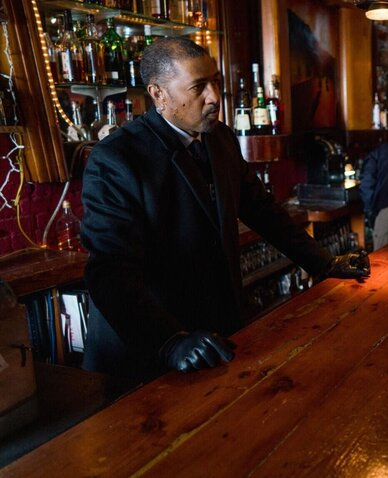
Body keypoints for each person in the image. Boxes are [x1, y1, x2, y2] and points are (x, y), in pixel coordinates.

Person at [81, 37, 369, 392]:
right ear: (158, 94)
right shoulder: (117, 158)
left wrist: (324, 263)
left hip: (215, 333)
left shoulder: (220, 139)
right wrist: (170, 341)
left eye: (215, 81)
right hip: (146, 354)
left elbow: (265, 212)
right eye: (198, 87)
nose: (215, 97)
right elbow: (109, 271)